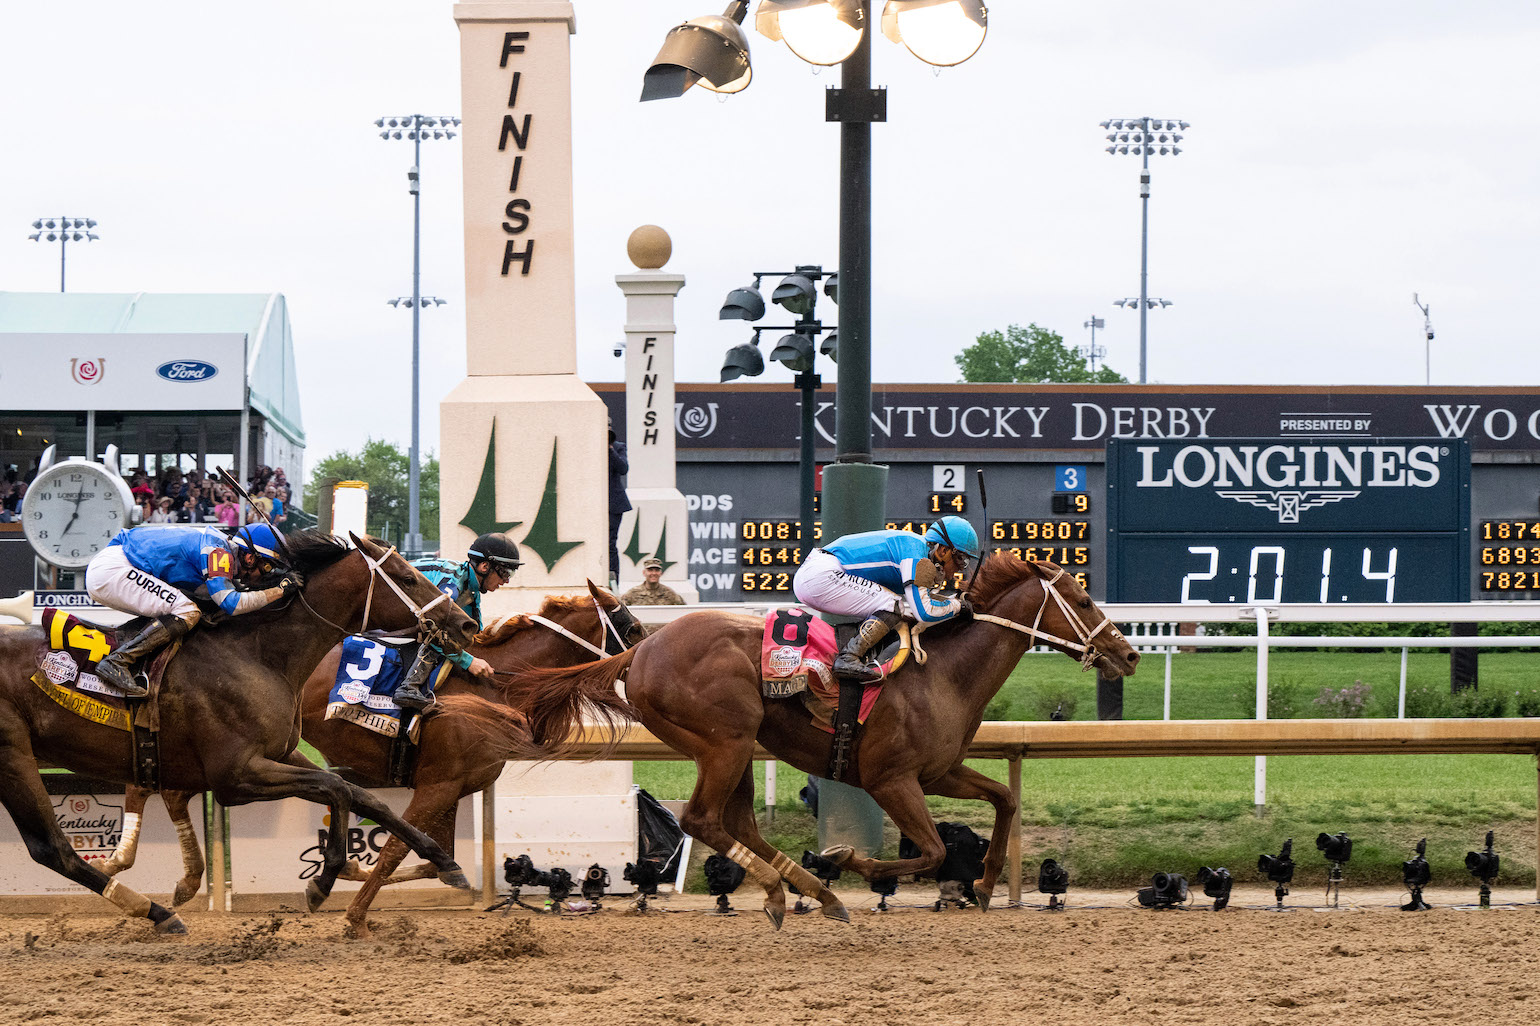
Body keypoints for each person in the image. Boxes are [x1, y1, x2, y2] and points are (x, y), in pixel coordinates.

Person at [85, 523, 301, 697]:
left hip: (118, 563)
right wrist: (279, 591)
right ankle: (117, 661)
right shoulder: (219, 553)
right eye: (267, 567)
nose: (265, 575)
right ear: (250, 557)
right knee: (187, 611)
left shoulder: (221, 551)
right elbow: (232, 604)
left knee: (192, 609)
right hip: (114, 569)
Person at [791, 515, 981, 683]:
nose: (961, 568)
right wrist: (957, 606)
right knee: (892, 605)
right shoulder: (914, 556)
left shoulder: (918, 552)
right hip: (820, 575)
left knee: (890, 605)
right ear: (943, 551)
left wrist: (954, 601)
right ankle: (848, 657)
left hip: (818, 573)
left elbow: (926, 599)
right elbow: (924, 611)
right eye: (961, 559)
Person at [391, 531, 523, 710]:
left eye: (511, 573)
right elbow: (433, 627)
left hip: (405, 602)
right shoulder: (454, 583)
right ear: (485, 566)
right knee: (439, 632)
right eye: (505, 572)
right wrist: (469, 662)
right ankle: (409, 687)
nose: (507, 580)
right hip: (389, 598)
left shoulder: (471, 587)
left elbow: (475, 632)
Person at [607, 417, 630, 590]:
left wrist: (610, 449)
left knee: (611, 543)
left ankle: (614, 580)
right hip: (594, 502)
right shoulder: (589, 443)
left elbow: (623, 468)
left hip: (614, 502)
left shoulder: (618, 446)